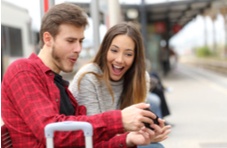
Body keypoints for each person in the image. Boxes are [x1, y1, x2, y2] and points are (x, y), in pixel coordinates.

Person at [1, 3, 167, 148]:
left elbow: (85, 141)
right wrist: (119, 120)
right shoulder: (23, 71)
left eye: (80, 41)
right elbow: (51, 132)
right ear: (48, 39)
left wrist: (129, 139)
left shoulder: (62, 87)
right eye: (71, 41)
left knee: (154, 146)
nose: (78, 49)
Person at [69, 22, 171, 148]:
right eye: (114, 50)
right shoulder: (88, 77)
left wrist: (149, 135)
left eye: (128, 54)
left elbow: (135, 130)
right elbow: (94, 134)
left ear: (135, 57)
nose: (119, 60)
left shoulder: (141, 78)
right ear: (105, 49)